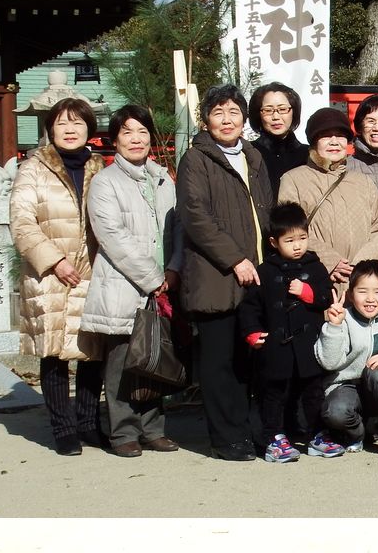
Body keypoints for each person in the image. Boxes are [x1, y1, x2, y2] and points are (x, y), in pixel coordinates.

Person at [175, 83, 272, 461]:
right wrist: (234, 259)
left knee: (246, 359)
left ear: (244, 118)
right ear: (206, 120)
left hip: (256, 273)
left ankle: (245, 432)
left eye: (233, 112)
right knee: (218, 363)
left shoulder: (253, 156)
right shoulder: (196, 159)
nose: (227, 119)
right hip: (218, 275)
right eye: (218, 113)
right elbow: (196, 217)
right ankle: (225, 438)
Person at [81, 104, 181, 458]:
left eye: (142, 132)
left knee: (156, 358)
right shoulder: (105, 182)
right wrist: (154, 278)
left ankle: (153, 428)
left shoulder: (162, 177)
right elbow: (112, 236)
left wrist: (174, 268)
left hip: (164, 284)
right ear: (115, 140)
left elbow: (177, 228)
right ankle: (122, 432)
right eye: (127, 132)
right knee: (123, 361)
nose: (136, 139)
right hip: (125, 283)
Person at [9, 97, 107, 456]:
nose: (70, 129)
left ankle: (89, 422)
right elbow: (21, 222)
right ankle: (63, 428)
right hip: (49, 273)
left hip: (93, 271)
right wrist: (54, 262)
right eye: (62, 123)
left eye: (78, 123)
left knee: (92, 350)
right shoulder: (33, 167)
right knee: (54, 353)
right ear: (50, 128)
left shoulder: (100, 167)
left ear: (89, 130)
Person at [237, 202, 343, 463]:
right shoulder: (265, 271)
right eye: (290, 240)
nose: (297, 246)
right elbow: (250, 308)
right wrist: (252, 333)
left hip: (309, 346)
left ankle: (317, 435)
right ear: (274, 242)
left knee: (313, 392)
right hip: (276, 348)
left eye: (302, 238)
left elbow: (327, 298)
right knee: (274, 393)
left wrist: (307, 293)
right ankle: (274, 438)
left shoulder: (316, 267)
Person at [314, 259, 378, 459]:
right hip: (347, 387)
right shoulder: (341, 319)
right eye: (362, 291)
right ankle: (358, 435)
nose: (370, 298)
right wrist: (333, 328)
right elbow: (328, 362)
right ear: (351, 295)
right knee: (334, 412)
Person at [278, 107, 378, 293]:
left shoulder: (362, 181)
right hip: (316, 278)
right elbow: (290, 231)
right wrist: (330, 261)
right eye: (325, 135)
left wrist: (360, 265)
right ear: (313, 141)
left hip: (361, 282)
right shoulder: (293, 179)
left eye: (340, 135)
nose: (334, 142)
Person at [248, 82, 310, 192]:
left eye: (282, 109)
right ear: (258, 114)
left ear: (293, 111)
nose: (276, 116)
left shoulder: (308, 155)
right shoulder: (248, 152)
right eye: (268, 110)